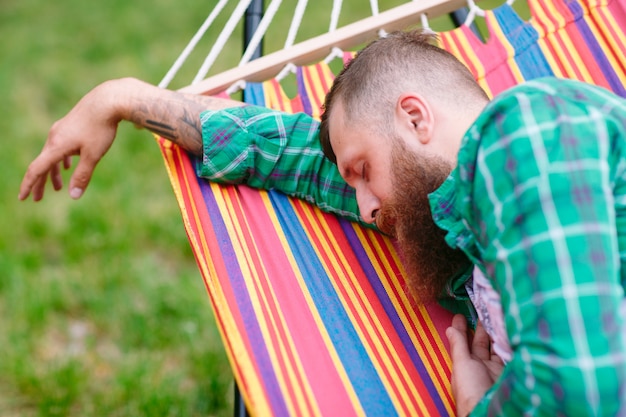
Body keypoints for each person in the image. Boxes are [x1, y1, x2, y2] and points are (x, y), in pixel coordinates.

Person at [20, 29, 626, 415]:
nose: (363, 206)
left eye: (362, 169)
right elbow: (294, 154)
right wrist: (120, 97)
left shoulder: (527, 131)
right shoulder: (459, 227)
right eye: (354, 183)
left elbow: (581, 393)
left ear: (415, 118)